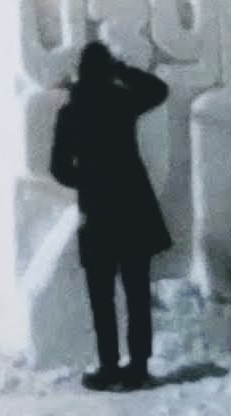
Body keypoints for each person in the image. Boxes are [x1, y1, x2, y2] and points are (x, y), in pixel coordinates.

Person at [47, 40, 173, 390]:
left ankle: (108, 365)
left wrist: (86, 180)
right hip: (133, 206)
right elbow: (158, 90)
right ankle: (138, 366)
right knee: (137, 294)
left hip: (98, 211)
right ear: (108, 70)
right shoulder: (122, 101)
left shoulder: (71, 112)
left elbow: (58, 167)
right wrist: (122, 69)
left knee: (101, 298)